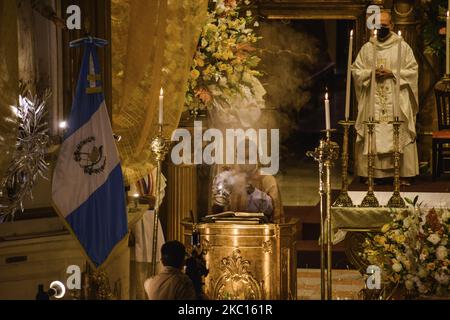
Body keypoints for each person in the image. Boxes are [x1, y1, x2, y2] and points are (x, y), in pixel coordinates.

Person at [352, 11, 419, 185]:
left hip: (396, 99)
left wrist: (392, 73)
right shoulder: (368, 48)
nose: (381, 28)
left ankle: (403, 173)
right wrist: (371, 73)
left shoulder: (402, 47)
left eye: (385, 24)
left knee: (400, 130)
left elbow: (413, 71)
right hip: (373, 98)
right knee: (372, 131)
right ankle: (371, 174)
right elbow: (356, 71)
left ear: (392, 26)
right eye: (378, 25)